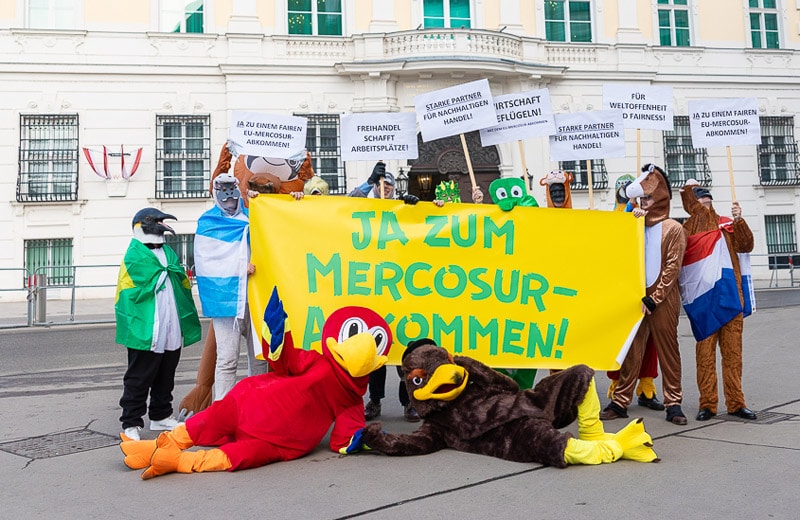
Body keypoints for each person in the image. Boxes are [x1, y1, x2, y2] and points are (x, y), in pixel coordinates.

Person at [601, 163, 688, 425]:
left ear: (660, 197)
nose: (643, 203)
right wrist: (631, 221)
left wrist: (656, 297)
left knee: (668, 350)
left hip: (663, 298)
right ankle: (620, 401)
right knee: (631, 350)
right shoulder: (635, 224)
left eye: (648, 198)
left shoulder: (673, 228)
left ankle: (674, 402)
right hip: (638, 297)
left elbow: (672, 267)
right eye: (641, 198)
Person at [116, 208, 202, 441]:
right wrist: (164, 273)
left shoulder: (167, 252)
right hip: (146, 325)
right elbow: (134, 287)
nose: (160, 224)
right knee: (139, 375)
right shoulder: (135, 254)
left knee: (166, 371)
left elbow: (178, 278)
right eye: (153, 221)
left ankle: (160, 414)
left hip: (170, 322)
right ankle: (131, 421)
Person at [348, 161, 420, 421]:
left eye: (389, 185)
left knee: (404, 353)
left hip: (401, 291)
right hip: (374, 290)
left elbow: (424, 227)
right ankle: (375, 401)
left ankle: (409, 402)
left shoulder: (402, 208)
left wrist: (416, 208)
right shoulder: (365, 207)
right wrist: (368, 182)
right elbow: (346, 205)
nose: (386, 188)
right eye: (382, 184)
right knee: (376, 350)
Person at [680, 181, 757, 421]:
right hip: (704, 303)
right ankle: (708, 404)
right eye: (698, 197)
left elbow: (746, 245)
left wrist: (739, 221)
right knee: (705, 357)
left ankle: (736, 403)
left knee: (733, 356)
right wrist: (688, 189)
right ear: (690, 203)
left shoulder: (726, 225)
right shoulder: (685, 231)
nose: (704, 198)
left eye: (706, 196)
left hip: (730, 297)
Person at [194, 173, 268, 402]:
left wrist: (263, 200)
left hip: (255, 300)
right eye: (223, 192)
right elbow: (206, 263)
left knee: (260, 359)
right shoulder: (208, 223)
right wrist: (238, 268)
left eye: (232, 191)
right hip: (225, 303)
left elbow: (276, 230)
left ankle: (259, 406)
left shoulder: (253, 215)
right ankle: (221, 410)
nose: (228, 198)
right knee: (227, 359)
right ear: (215, 193)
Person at [606, 174, 664, 411]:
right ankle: (617, 384)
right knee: (621, 339)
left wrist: (641, 217)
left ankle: (647, 386)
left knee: (650, 339)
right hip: (620, 288)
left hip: (645, 286)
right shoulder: (613, 217)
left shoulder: (646, 215)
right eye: (622, 189)